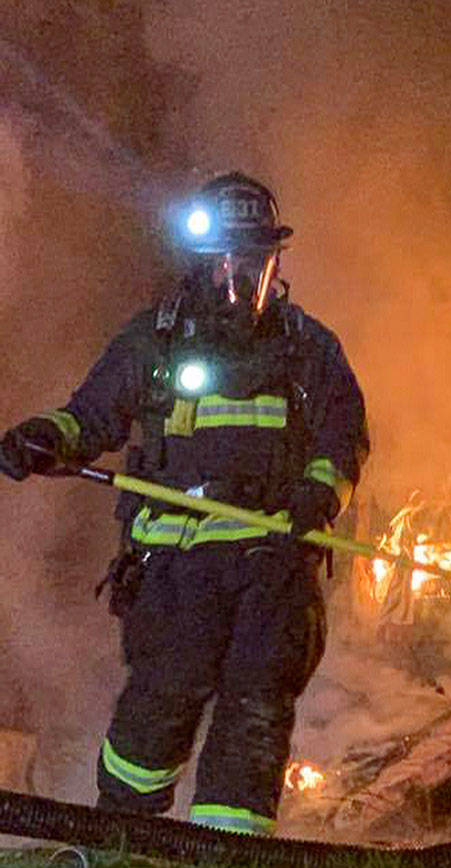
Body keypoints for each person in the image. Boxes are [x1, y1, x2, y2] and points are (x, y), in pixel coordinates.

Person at [0, 172, 369, 834]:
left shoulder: (306, 347)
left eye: (252, 261)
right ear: (200, 263)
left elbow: (344, 434)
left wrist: (319, 494)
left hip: (273, 565)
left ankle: (229, 848)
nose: (238, 278)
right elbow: (93, 415)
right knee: (160, 704)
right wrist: (45, 438)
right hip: (175, 568)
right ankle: (119, 837)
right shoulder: (156, 342)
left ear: (274, 262)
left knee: (255, 712)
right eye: (224, 261)